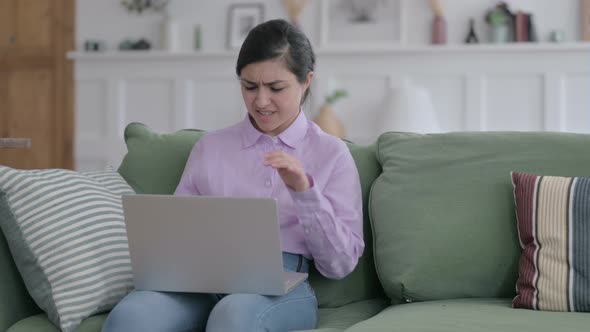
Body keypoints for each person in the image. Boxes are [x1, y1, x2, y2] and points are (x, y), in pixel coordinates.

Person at [102, 18, 364, 332]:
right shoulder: (210, 148)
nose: (261, 101)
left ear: (306, 81)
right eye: (249, 86)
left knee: (234, 316)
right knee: (132, 315)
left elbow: (340, 265)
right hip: (199, 281)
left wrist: (305, 191)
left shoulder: (331, 154)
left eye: (276, 88)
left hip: (280, 288)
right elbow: (176, 236)